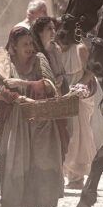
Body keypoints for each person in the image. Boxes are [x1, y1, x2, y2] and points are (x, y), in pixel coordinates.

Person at [0, 27, 64, 207]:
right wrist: (9, 93)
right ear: (13, 47)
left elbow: (51, 85)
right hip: (16, 120)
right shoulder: (5, 62)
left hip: (40, 116)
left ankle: (44, 206)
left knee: (43, 160)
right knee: (14, 160)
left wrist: (23, 85)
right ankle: (9, 204)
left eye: (31, 43)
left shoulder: (39, 59)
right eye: (25, 44)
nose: (30, 48)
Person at [60, 35, 97, 189]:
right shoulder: (53, 51)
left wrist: (77, 88)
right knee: (64, 133)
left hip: (81, 95)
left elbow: (90, 72)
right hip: (61, 96)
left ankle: (77, 177)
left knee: (78, 135)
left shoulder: (79, 49)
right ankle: (64, 174)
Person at [31, 17, 69, 158]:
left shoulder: (56, 48)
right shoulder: (35, 53)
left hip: (59, 95)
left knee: (62, 137)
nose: (53, 31)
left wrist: (60, 81)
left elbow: (62, 72)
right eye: (49, 29)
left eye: (54, 28)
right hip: (42, 99)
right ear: (40, 32)